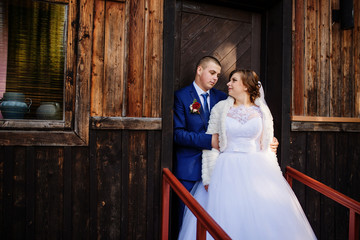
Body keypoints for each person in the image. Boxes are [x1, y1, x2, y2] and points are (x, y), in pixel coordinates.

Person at [178, 69, 317, 239]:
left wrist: (275, 174)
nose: (228, 84)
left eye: (234, 80)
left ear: (245, 85)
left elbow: (267, 145)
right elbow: (211, 145)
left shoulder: (263, 111)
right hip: (226, 170)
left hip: (258, 169)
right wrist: (208, 178)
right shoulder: (220, 108)